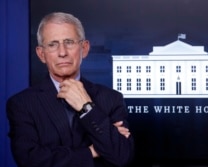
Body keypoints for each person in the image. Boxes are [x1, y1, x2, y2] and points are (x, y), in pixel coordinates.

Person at [6, 12, 134, 167]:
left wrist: (87, 107)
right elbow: (30, 160)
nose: (62, 52)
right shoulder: (22, 104)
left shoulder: (112, 99)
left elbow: (122, 155)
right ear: (41, 54)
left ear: (84, 48)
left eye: (69, 42)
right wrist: (91, 152)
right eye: (53, 44)